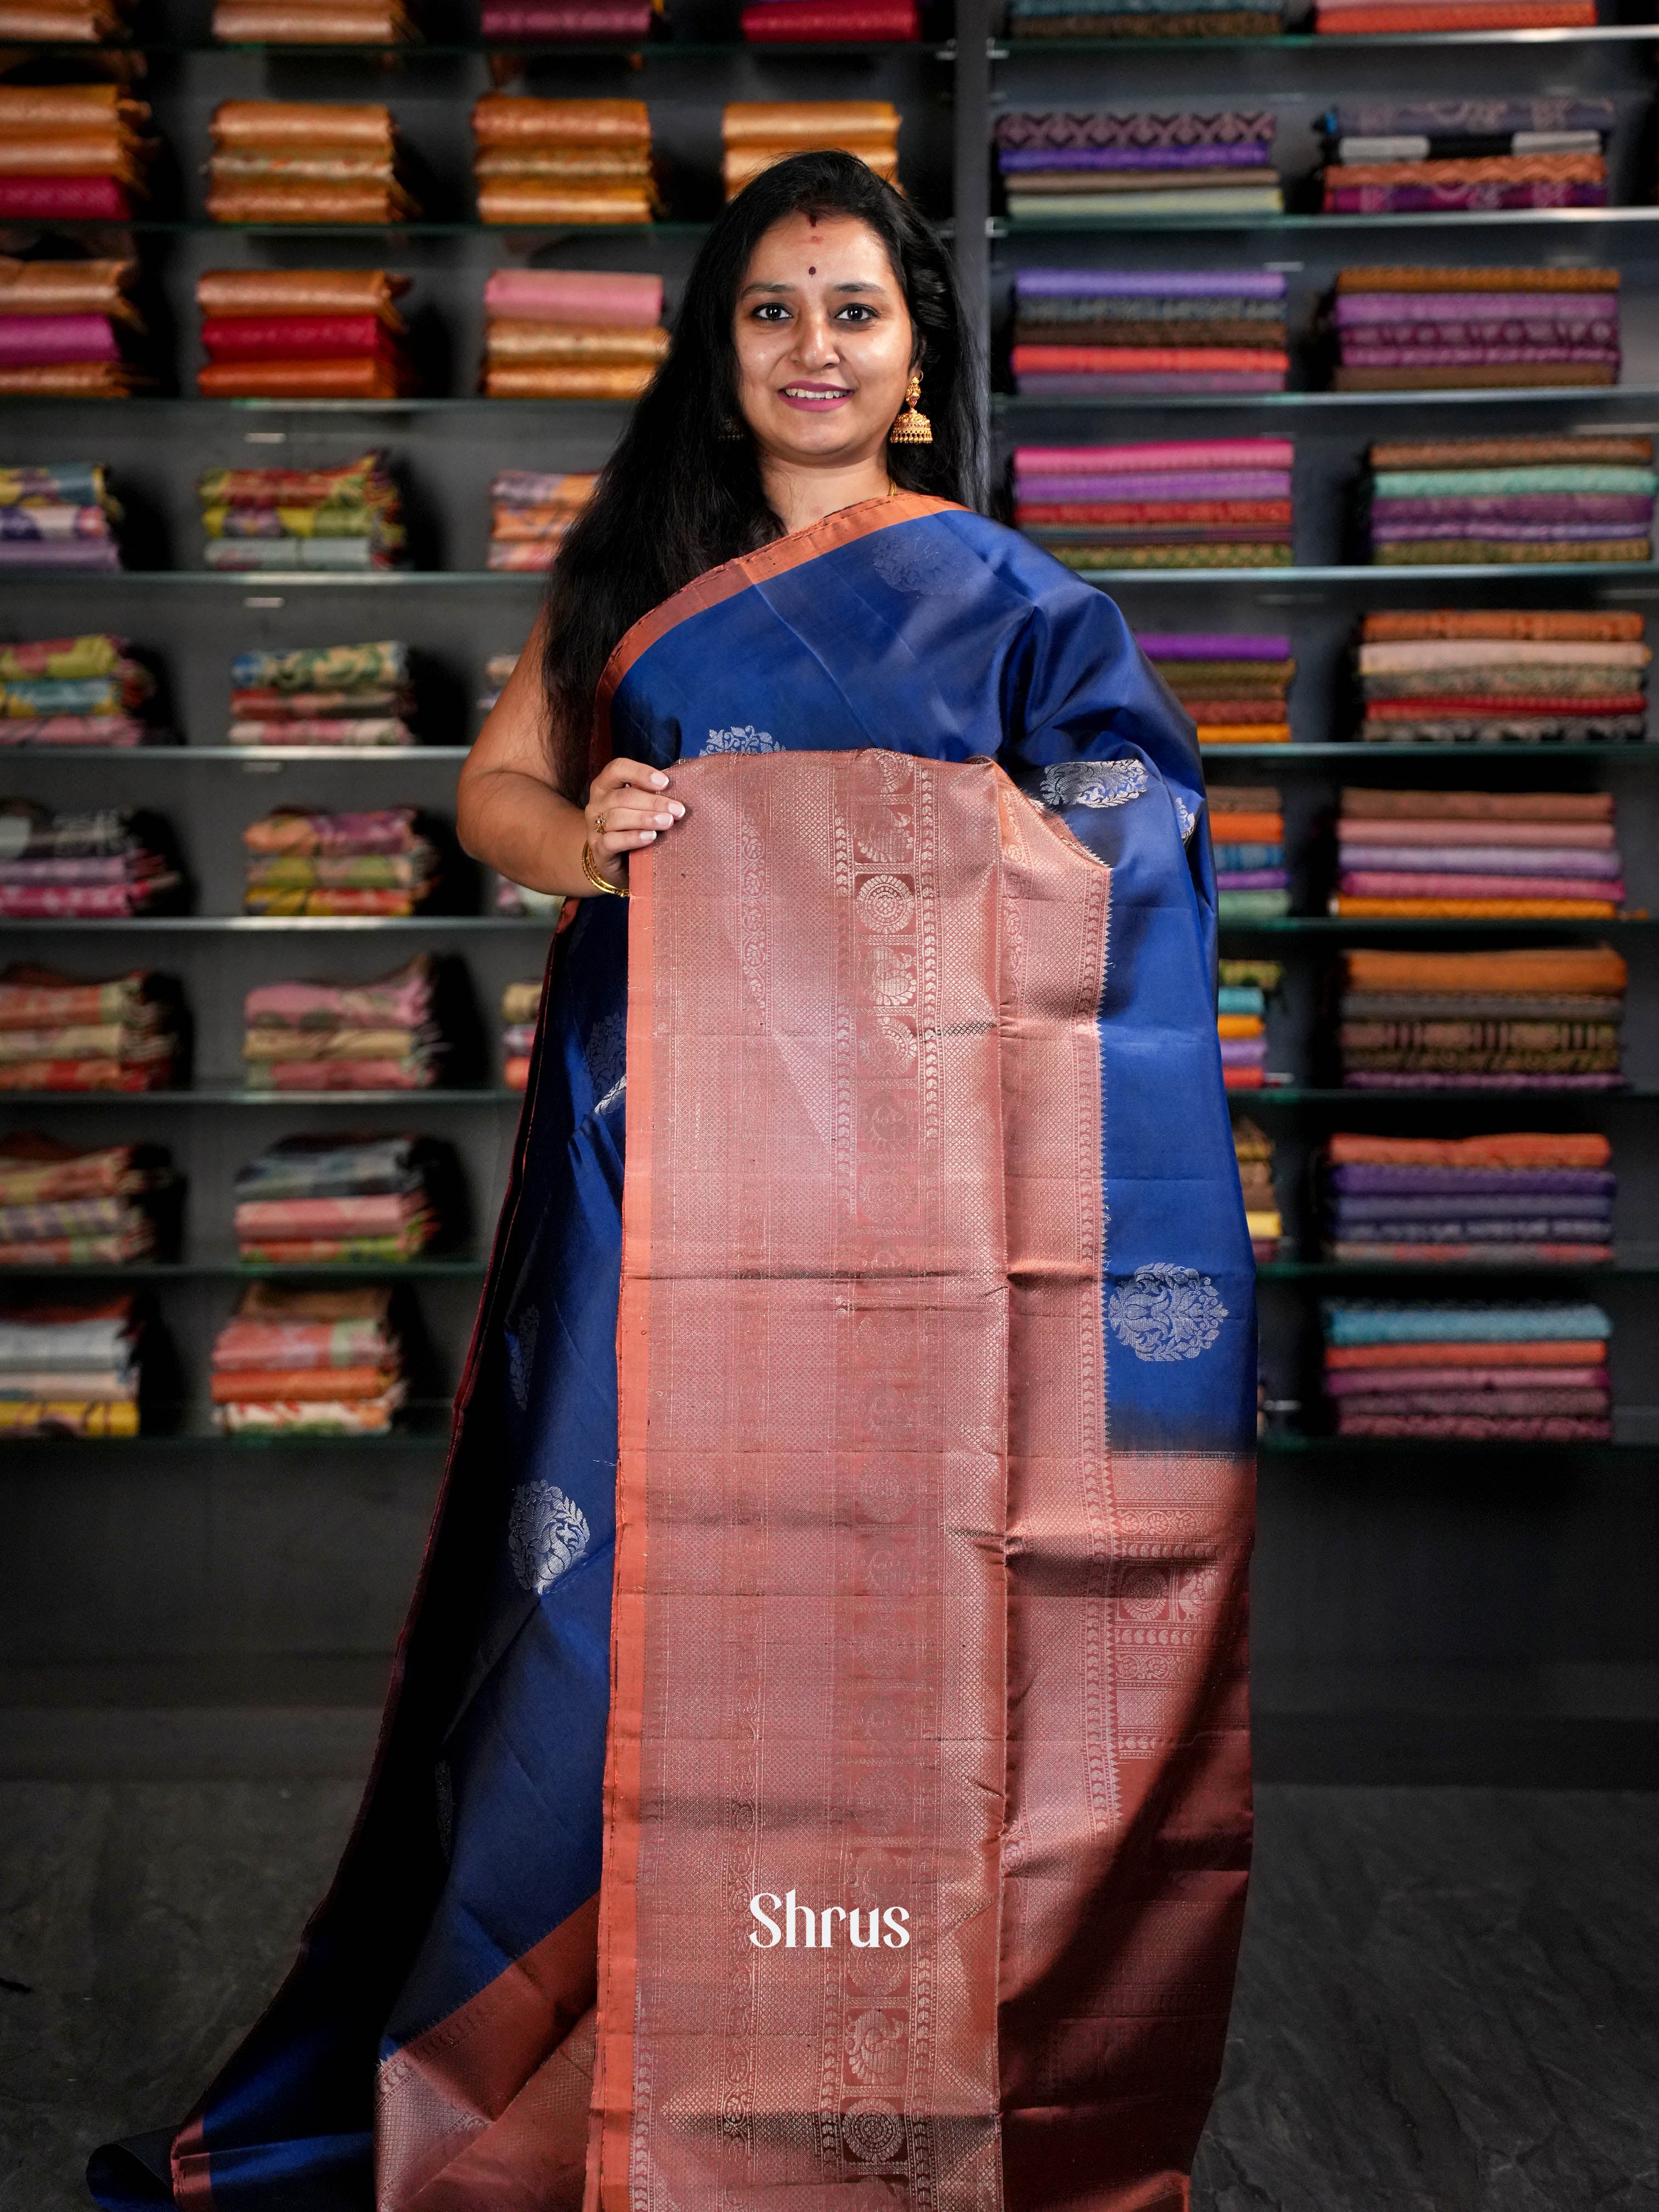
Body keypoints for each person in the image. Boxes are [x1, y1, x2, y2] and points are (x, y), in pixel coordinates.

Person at [89, 151, 1255, 2212]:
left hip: (931, 1212)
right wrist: (596, 825)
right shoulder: (632, 571)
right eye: (772, 311)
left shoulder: (1017, 600)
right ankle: (610, 2053)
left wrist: (957, 831)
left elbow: (1130, 822)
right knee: (615, 1593)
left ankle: (873, 2051)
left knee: (917, 1596)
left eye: (856, 311)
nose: (815, 346)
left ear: (916, 364)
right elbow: (495, 800)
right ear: (722, 361)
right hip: (664, 1175)